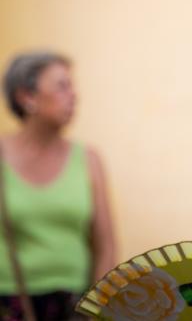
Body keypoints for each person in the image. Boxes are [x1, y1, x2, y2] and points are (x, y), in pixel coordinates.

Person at [0, 51, 115, 320]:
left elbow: (105, 246)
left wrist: (95, 309)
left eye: (72, 86)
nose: (74, 95)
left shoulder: (88, 160)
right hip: (8, 303)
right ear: (26, 97)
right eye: (62, 86)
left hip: (73, 305)